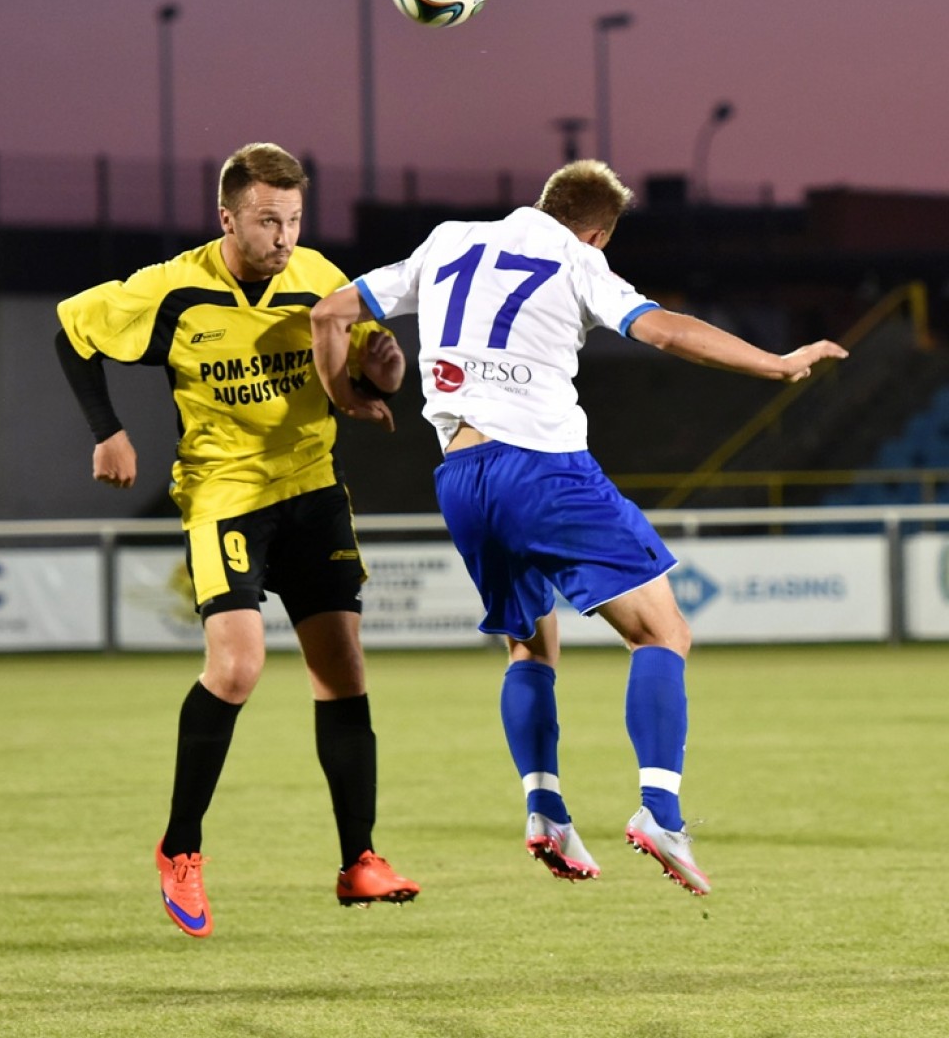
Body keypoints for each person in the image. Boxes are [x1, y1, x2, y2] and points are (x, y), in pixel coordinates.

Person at [310, 159, 849, 897]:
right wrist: (777, 365)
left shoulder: (447, 241)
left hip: (462, 478)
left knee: (530, 644)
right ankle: (660, 811)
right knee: (663, 633)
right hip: (542, 470)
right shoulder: (576, 258)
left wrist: (347, 397)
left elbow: (327, 314)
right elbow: (664, 330)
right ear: (599, 233)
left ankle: (546, 809)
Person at [55, 142, 420, 937]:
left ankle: (359, 859)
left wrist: (382, 374)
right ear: (227, 218)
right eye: (267, 220)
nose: (284, 236)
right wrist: (108, 431)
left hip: (313, 488)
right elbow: (71, 330)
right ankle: (180, 848)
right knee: (237, 666)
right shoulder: (174, 288)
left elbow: (363, 372)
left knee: (343, 670)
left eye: (294, 219)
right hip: (225, 494)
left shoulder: (320, 280)